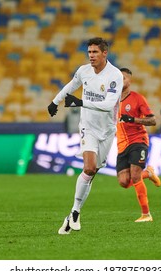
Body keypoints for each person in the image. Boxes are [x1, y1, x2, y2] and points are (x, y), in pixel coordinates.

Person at [47, 37, 123, 234]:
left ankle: (74, 212)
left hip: (107, 130)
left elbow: (108, 106)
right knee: (88, 168)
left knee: (92, 173)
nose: (91, 56)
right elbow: (71, 85)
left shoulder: (115, 75)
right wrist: (55, 101)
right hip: (88, 127)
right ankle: (74, 214)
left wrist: (81, 103)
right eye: (89, 52)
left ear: (105, 53)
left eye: (95, 52)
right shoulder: (84, 71)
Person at [116, 67, 161, 222]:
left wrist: (133, 119)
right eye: (118, 78)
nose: (120, 81)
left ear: (130, 81)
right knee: (123, 182)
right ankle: (148, 173)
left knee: (135, 176)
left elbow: (152, 120)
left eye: (123, 78)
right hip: (121, 144)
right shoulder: (112, 100)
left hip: (138, 140)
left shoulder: (137, 98)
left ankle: (146, 214)